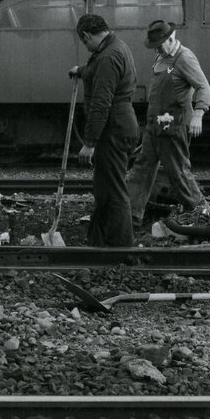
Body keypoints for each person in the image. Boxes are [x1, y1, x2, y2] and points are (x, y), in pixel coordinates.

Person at [128, 20, 210, 234]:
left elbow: (203, 87)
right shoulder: (161, 56)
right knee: (141, 170)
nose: (156, 48)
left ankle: (203, 213)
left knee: (178, 173)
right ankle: (130, 218)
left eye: (159, 44)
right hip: (155, 126)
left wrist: (199, 114)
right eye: (154, 44)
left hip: (173, 127)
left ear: (171, 39)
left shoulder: (184, 58)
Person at [68, 14, 139, 247]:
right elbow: (96, 69)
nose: (86, 48)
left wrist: (89, 143)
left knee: (114, 190)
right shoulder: (113, 48)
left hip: (114, 127)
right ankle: (99, 243)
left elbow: (101, 103)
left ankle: (121, 248)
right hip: (119, 124)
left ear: (87, 35)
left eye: (84, 43)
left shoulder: (108, 56)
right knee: (104, 188)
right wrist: (81, 70)